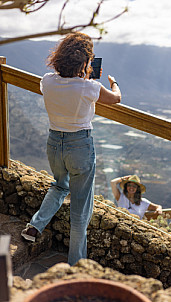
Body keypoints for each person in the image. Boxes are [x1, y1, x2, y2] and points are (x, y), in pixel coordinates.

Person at [21, 32, 121, 266]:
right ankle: (77, 264)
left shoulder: (47, 81)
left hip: (54, 143)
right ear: (84, 62)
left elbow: (60, 84)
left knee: (58, 184)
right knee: (80, 207)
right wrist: (114, 82)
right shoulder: (89, 87)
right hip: (80, 146)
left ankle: (34, 227)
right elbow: (116, 99)